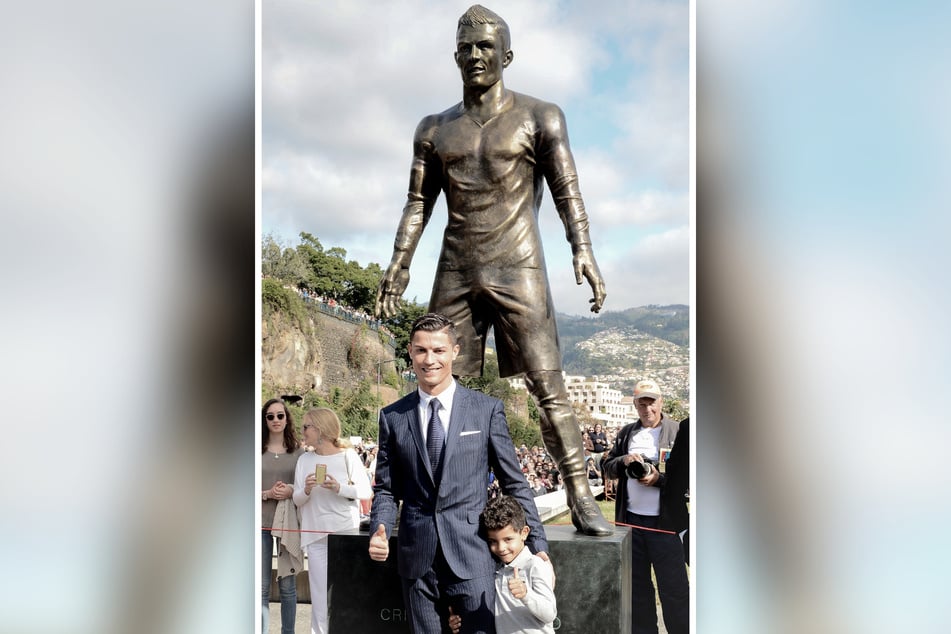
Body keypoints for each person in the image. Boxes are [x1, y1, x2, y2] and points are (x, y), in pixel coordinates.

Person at [374, 4, 611, 536]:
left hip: (519, 264)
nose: (476, 55)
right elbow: (418, 203)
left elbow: (566, 188)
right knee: (433, 388)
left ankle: (579, 496)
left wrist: (584, 247)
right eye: (467, 47)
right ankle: (426, 502)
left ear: (506, 55)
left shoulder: (539, 116)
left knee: (549, 388)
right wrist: (399, 260)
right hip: (456, 265)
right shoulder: (433, 129)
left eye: (486, 46)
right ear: (455, 55)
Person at [368, 312, 549, 633]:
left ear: (455, 351)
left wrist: (538, 545)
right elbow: (385, 489)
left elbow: (514, 483)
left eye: (438, 350)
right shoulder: (392, 417)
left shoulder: (485, 410)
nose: (429, 359)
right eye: (421, 350)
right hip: (417, 560)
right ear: (410, 351)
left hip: (472, 555)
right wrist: (379, 527)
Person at [601, 380, 689, 634]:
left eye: (651, 402)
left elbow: (690, 478)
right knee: (637, 591)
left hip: (666, 526)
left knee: (674, 592)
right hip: (631, 524)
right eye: (642, 403)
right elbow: (607, 467)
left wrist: (658, 479)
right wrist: (624, 460)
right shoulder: (627, 433)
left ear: (661, 402)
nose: (647, 408)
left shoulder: (677, 431)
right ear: (635, 404)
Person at [294, 408, 373, 634]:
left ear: (321, 429)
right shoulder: (304, 460)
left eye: (306, 426)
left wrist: (339, 488)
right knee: (319, 598)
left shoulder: (347, 455)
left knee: (345, 594)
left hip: (344, 534)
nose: (303, 431)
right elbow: (298, 500)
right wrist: (307, 489)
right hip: (315, 535)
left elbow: (366, 491)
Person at [448, 495, 557, 634]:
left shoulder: (535, 565)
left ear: (524, 533)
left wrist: (526, 594)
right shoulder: (496, 568)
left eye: (508, 539)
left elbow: (550, 614)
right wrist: (457, 621)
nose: (500, 548)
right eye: (493, 541)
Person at [261, 398, 303, 634]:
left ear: (287, 418)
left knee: (288, 587)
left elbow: (306, 489)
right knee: (262, 589)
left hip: (288, 524)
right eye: (270, 416)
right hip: (259, 524)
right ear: (264, 420)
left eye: (280, 415)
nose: (276, 420)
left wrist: (290, 490)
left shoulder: (298, 452)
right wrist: (266, 494)